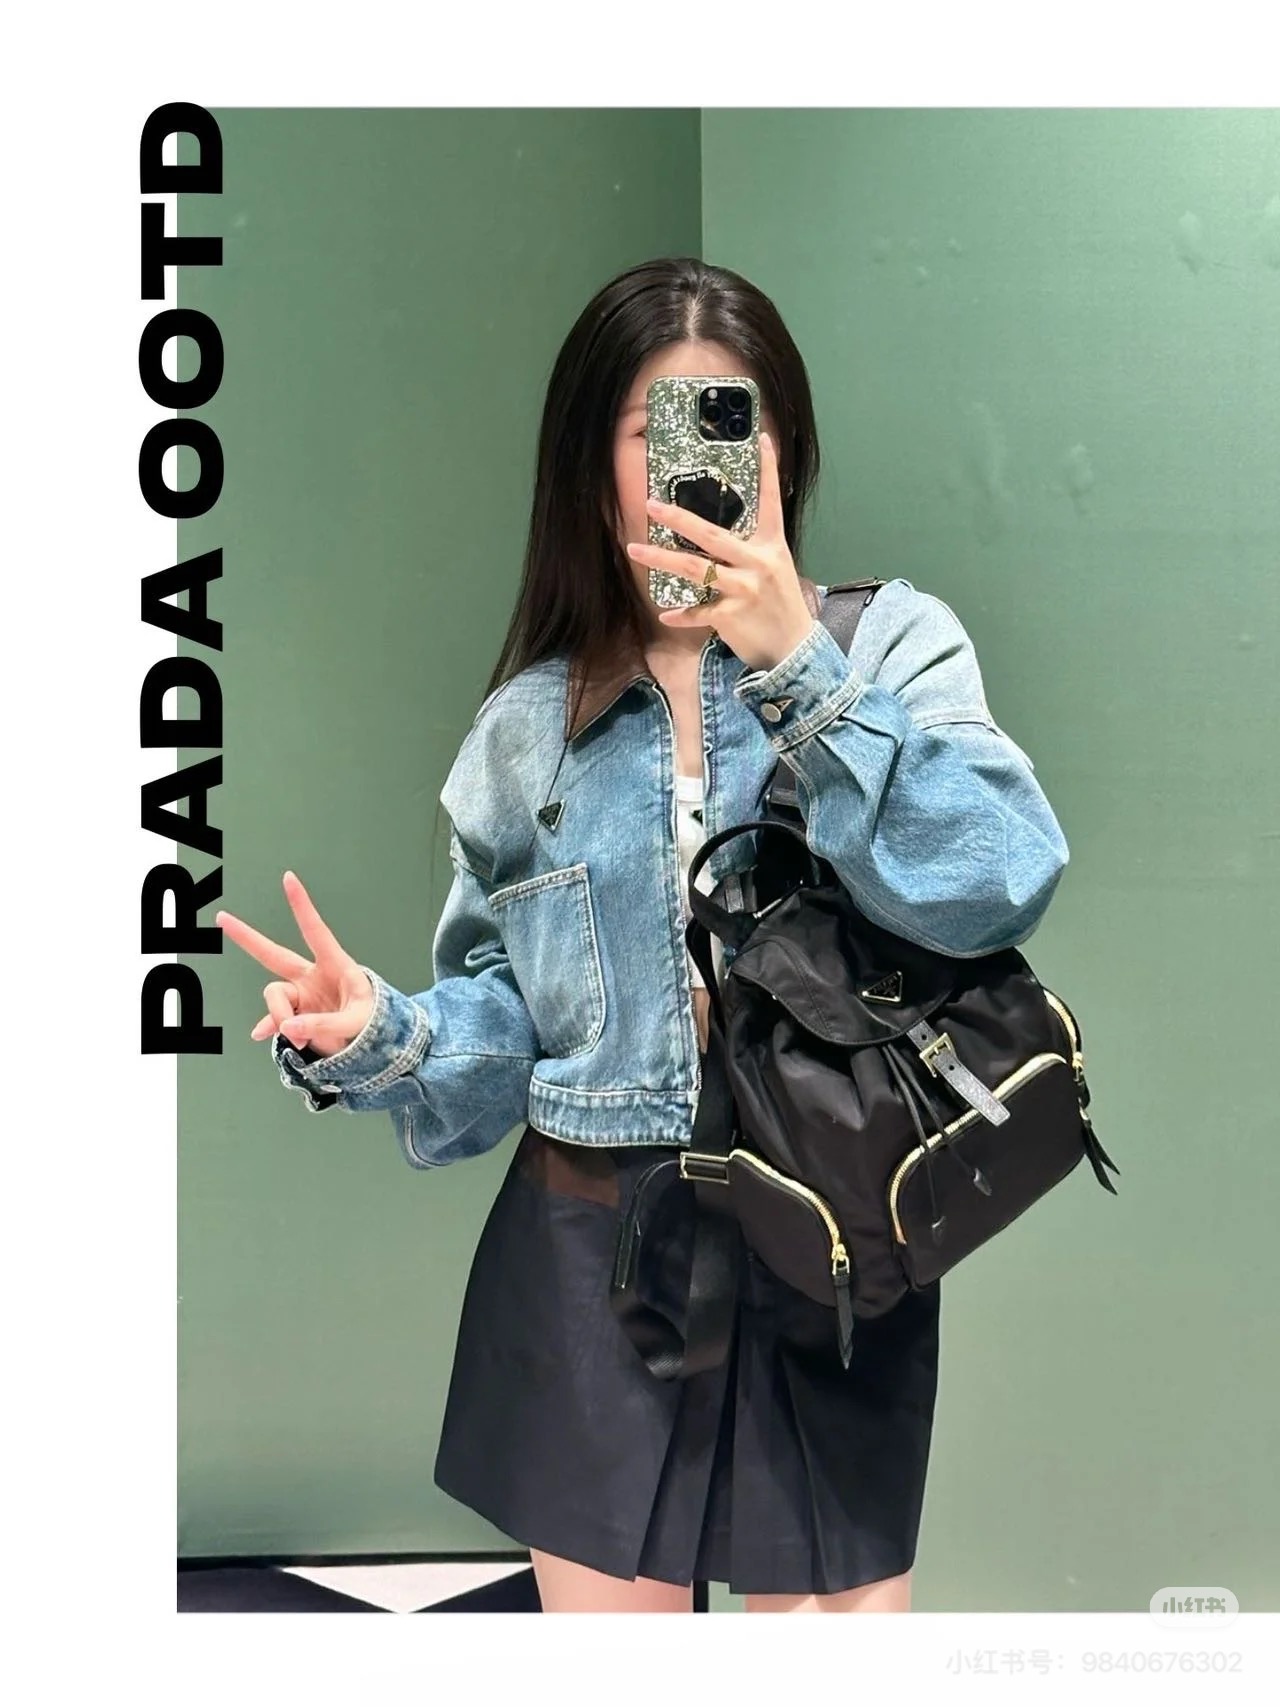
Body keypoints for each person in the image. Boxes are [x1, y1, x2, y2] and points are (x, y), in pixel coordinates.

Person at [217, 256, 1069, 1613]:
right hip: (591, 1250)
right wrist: (382, 1031)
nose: (698, 457)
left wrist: (799, 671)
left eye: (736, 418)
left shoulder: (892, 647)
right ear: (593, 464)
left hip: (830, 1236)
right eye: (654, 425)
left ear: (782, 445)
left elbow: (998, 879)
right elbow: (505, 1033)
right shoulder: (528, 726)